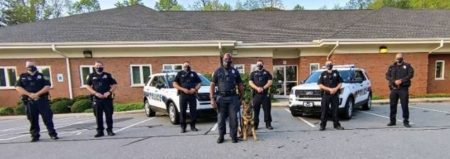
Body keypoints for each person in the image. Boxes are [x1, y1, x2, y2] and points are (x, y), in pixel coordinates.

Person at [16, 61, 58, 142]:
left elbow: (47, 86)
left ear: (35, 66)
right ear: (26, 66)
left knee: (48, 118)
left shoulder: (42, 76)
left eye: (31, 65)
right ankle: (35, 135)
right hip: (29, 101)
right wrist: (29, 94)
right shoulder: (22, 76)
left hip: (42, 100)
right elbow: (18, 87)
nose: (30, 67)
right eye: (28, 65)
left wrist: (37, 94)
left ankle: (52, 134)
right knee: (32, 119)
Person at [210, 53, 244, 144]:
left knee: (233, 118)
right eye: (226, 59)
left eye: (229, 59)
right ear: (223, 59)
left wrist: (241, 97)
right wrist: (212, 99)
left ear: (231, 60)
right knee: (221, 119)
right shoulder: (218, 71)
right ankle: (221, 136)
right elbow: (212, 85)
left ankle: (233, 136)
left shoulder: (235, 71)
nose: (227, 60)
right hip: (221, 98)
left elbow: (240, 84)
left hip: (233, 97)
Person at [85, 61, 118, 137]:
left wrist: (109, 92)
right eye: (97, 66)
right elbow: (87, 86)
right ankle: (100, 131)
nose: (98, 67)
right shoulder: (91, 76)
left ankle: (110, 130)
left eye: (100, 66)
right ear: (94, 67)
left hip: (107, 98)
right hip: (97, 99)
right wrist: (95, 93)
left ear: (103, 66)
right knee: (98, 116)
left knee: (109, 115)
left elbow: (115, 85)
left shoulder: (108, 75)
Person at [385, 53, 414, 128]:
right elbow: (387, 76)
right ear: (395, 58)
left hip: (403, 89)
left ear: (402, 58)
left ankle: (406, 121)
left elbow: (411, 75)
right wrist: (394, 81)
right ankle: (392, 121)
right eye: (397, 57)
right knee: (392, 105)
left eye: (400, 57)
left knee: (404, 105)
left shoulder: (407, 66)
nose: (398, 59)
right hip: (394, 89)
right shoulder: (392, 67)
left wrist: (401, 80)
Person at [173, 61, 202, 133]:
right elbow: (174, 84)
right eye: (185, 65)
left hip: (192, 94)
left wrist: (195, 89)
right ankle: (183, 127)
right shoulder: (180, 73)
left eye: (188, 66)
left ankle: (193, 126)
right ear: (183, 66)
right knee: (182, 111)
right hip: (183, 94)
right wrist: (183, 89)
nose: (186, 67)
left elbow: (199, 83)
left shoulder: (194, 73)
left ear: (190, 66)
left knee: (193, 111)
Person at [318, 60, 345, 131]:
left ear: (332, 65)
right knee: (324, 111)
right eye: (327, 64)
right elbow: (320, 85)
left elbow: (340, 83)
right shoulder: (322, 74)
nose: (329, 65)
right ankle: (322, 125)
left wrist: (335, 89)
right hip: (326, 95)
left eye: (330, 64)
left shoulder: (336, 73)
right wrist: (329, 89)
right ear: (325, 65)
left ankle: (336, 125)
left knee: (335, 110)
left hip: (335, 95)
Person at [249, 60, 273, 130]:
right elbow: (250, 82)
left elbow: (270, 82)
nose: (259, 65)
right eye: (258, 64)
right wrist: (257, 88)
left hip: (265, 95)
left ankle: (268, 124)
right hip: (256, 95)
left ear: (263, 64)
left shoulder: (267, 73)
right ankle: (255, 124)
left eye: (260, 64)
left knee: (267, 110)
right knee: (256, 111)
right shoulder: (253, 73)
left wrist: (263, 88)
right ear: (256, 65)